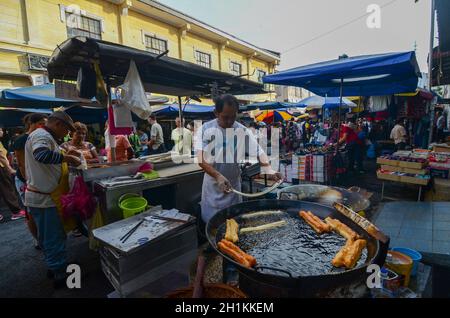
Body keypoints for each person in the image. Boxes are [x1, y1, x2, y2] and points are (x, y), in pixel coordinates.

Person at [195, 94, 282, 224]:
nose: (230, 121)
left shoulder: (241, 130)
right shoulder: (205, 129)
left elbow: (259, 151)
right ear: (216, 113)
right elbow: (201, 160)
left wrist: (268, 168)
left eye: (233, 117)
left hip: (234, 187)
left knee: (235, 224)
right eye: (225, 117)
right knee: (213, 226)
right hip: (213, 186)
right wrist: (218, 176)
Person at [24, 111, 81, 288]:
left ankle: (53, 266)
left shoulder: (44, 136)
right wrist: (67, 157)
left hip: (43, 197)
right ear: (58, 124)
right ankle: (60, 275)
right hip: (45, 198)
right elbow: (41, 155)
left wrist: (63, 152)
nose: (67, 134)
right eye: (67, 130)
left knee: (49, 236)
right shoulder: (41, 135)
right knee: (53, 237)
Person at [13, 113, 47, 244]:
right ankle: (38, 240)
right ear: (31, 124)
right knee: (31, 213)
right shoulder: (22, 139)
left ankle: (44, 237)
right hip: (25, 180)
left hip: (36, 180)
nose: (43, 126)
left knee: (40, 211)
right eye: (41, 123)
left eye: (45, 124)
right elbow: (22, 164)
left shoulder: (41, 136)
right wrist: (29, 183)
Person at [0, 128, 26, 222]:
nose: (2, 131)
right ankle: (16, 212)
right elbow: (1, 156)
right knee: (7, 189)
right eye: (0, 130)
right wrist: (9, 168)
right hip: (1, 167)